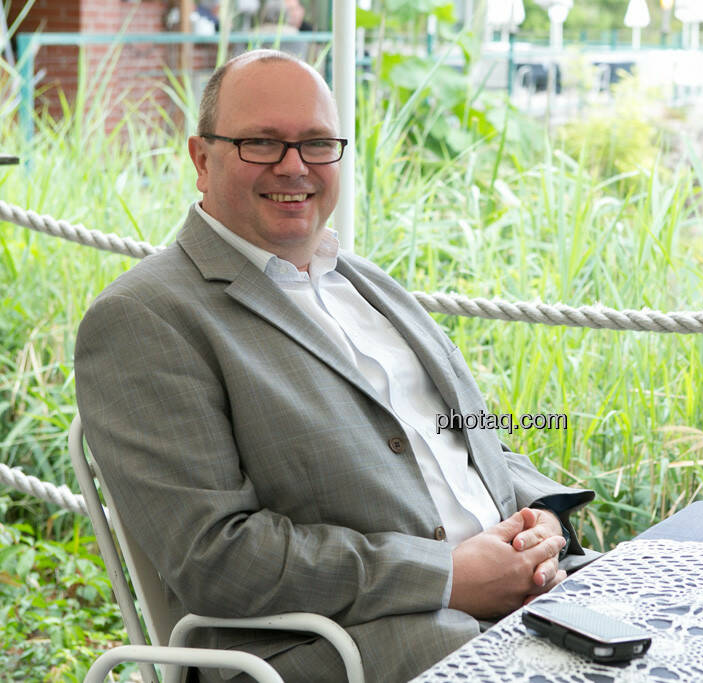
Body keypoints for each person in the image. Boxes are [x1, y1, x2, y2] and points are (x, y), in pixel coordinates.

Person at [74, 49, 595, 683]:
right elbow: (215, 557)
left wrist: (537, 520)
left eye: (317, 143)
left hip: (520, 596)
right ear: (201, 159)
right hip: (344, 644)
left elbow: (469, 442)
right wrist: (447, 577)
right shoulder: (146, 317)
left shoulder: (367, 285)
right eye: (261, 143)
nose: (295, 166)